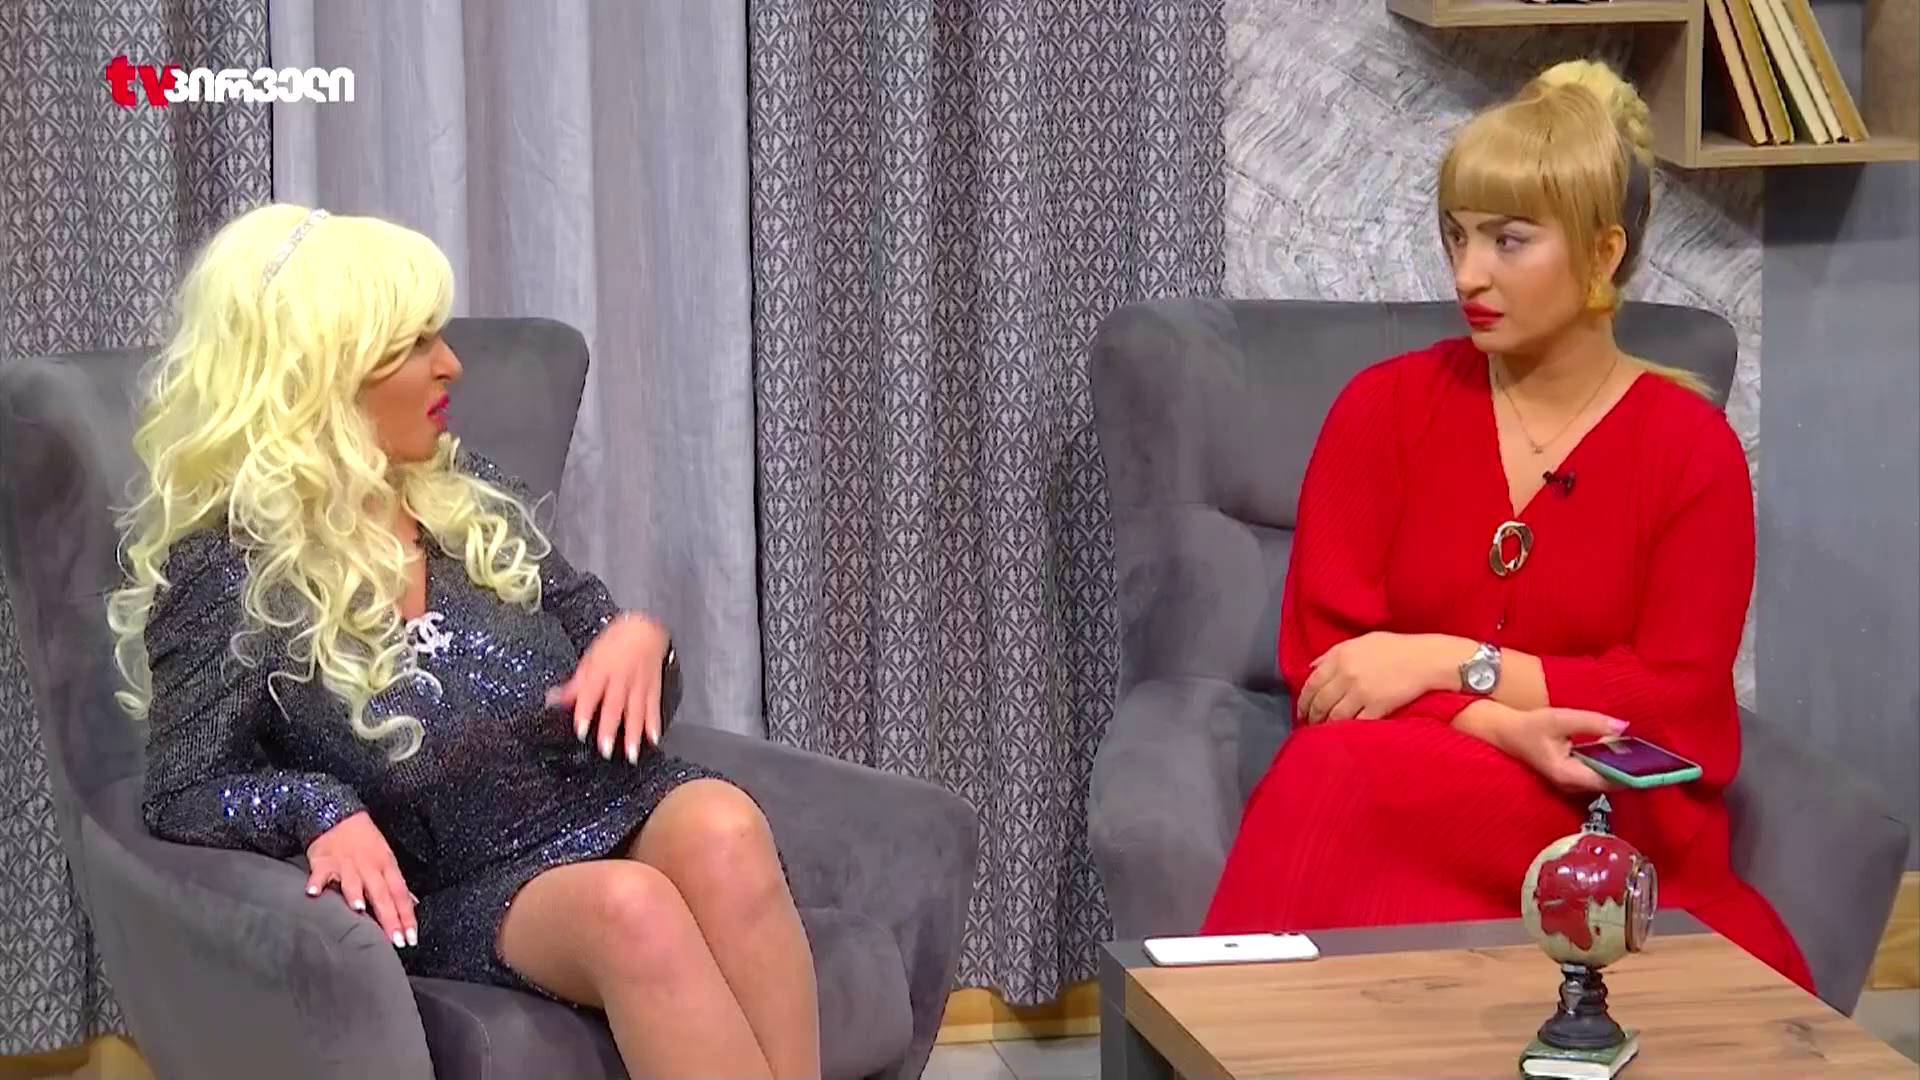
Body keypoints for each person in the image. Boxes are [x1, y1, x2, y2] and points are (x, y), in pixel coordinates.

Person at [106, 204, 821, 1078]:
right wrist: (315, 807)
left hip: (606, 799)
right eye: (414, 344)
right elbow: (180, 790)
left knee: (725, 825)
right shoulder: (225, 572)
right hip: (466, 883)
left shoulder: (462, 494)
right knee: (631, 908)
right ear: (321, 372)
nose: (450, 364)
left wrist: (640, 640)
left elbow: (598, 640)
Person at [1200, 60, 1813, 992]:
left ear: (1604, 253)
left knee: (1341, 778)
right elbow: (1329, 670)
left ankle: (1237, 1020)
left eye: (1508, 240)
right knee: (1336, 767)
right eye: (1457, 233)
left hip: (1600, 807)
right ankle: (1245, 1032)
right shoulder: (1382, 410)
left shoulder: (1691, 453)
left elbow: (1675, 708)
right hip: (1418, 770)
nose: (1467, 273)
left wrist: (1447, 662)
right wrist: (1498, 725)